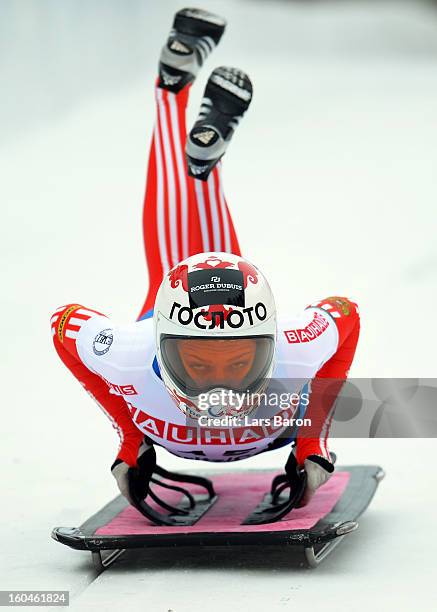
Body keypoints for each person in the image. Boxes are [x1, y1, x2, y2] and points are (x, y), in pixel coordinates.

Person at [50, 8, 360, 514]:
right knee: (211, 266)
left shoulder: (129, 354)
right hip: (185, 334)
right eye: (198, 363)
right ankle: (196, 154)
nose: (219, 387)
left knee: (189, 264)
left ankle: (176, 105)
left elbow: (64, 327)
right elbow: (346, 314)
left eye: (237, 363)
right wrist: (314, 438)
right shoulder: (293, 353)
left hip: (163, 333)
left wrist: (131, 439)